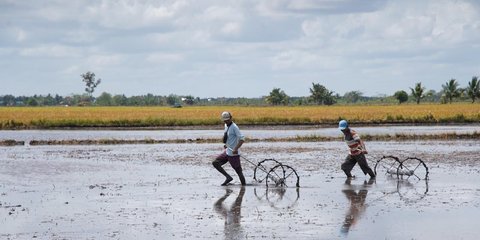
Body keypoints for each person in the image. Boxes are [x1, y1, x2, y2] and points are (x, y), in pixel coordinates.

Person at [212, 111, 246, 186]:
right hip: (227, 151)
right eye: (225, 120)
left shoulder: (234, 127)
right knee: (215, 163)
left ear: (231, 118)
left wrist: (236, 149)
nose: (226, 121)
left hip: (233, 154)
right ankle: (228, 177)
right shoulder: (226, 125)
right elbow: (229, 138)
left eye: (227, 120)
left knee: (239, 172)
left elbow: (242, 139)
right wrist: (226, 145)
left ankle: (244, 188)